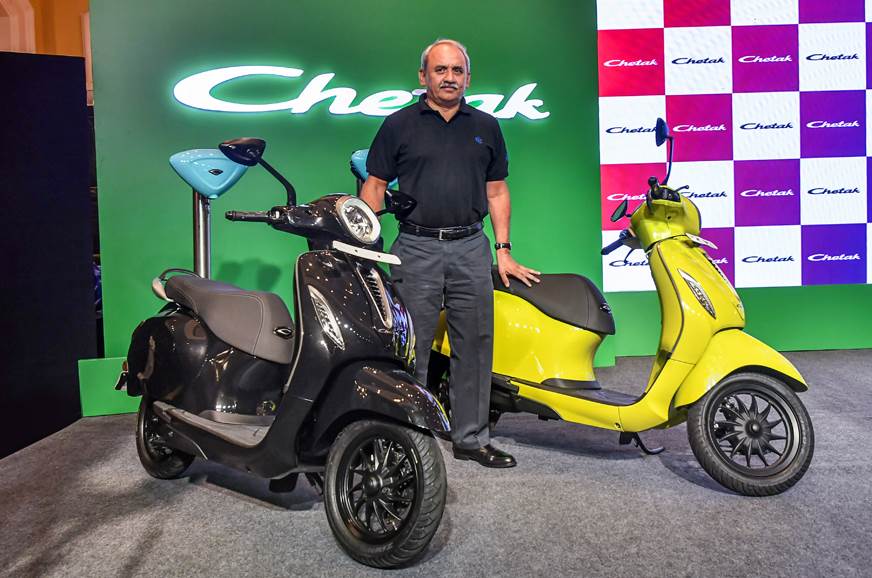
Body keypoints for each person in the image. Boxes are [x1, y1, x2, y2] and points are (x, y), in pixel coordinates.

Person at [360, 39, 539, 468]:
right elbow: (375, 186)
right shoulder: (398, 125)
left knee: (474, 346)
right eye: (440, 70)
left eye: (457, 71)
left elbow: (497, 191)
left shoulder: (486, 126)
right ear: (423, 76)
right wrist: (366, 247)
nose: (449, 78)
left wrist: (503, 250)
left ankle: (471, 439)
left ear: (468, 78)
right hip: (415, 248)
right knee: (411, 349)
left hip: (470, 248)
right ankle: (406, 438)